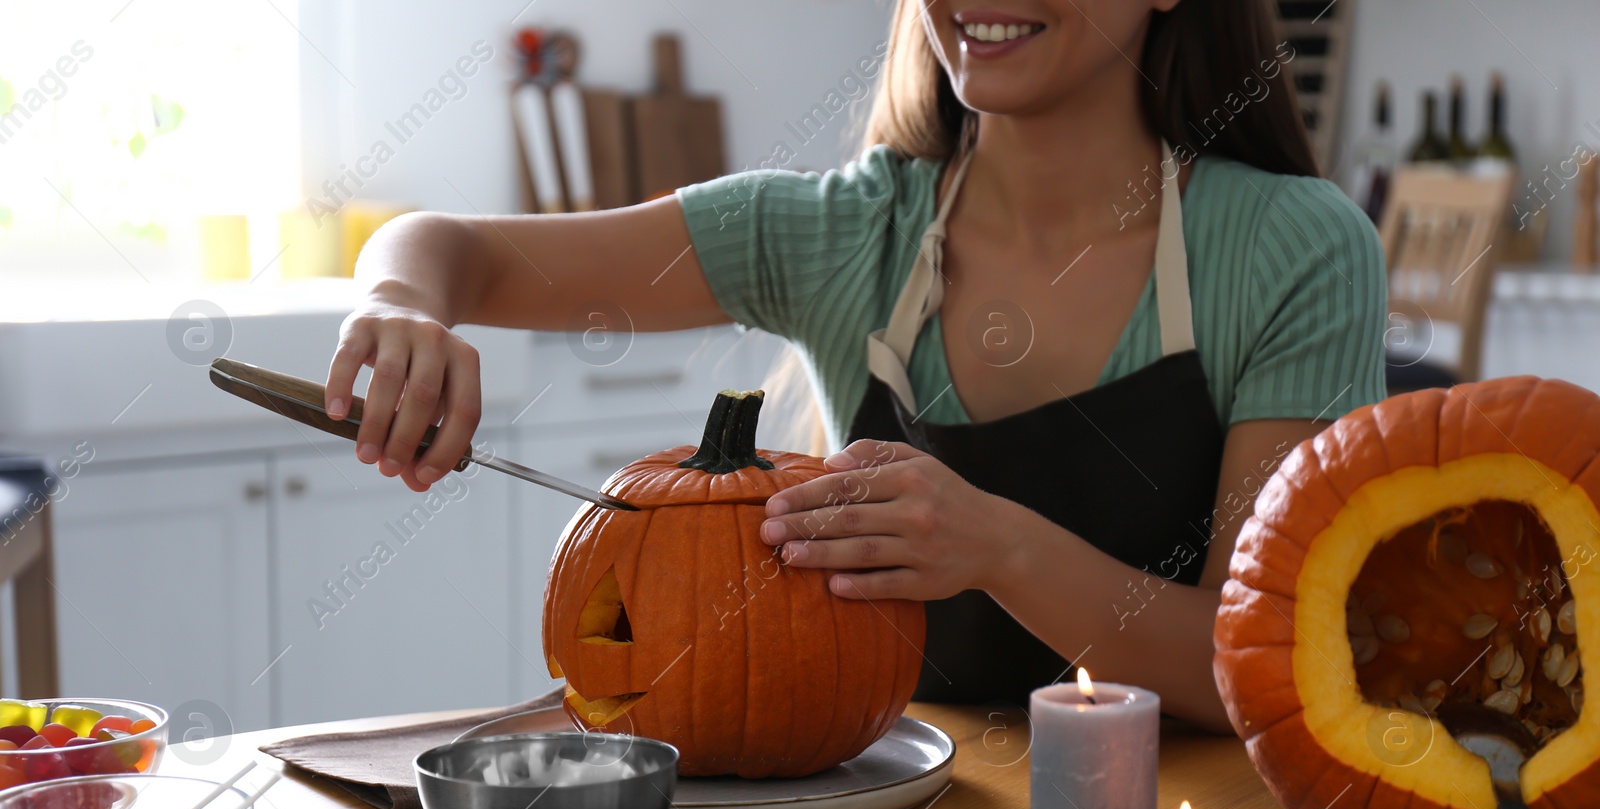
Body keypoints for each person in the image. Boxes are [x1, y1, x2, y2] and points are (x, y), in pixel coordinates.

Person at [325, 0, 1385, 731]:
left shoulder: (1293, 248)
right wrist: (398, 305)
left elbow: (1265, 657)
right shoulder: (844, 233)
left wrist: (997, 546)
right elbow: (444, 249)